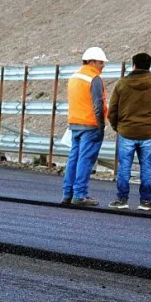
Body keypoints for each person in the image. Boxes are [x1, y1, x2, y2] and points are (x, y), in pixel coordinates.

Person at [107, 52, 151, 211]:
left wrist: (118, 127)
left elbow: (112, 111)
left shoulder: (122, 84)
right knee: (147, 167)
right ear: (149, 65)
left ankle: (122, 199)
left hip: (126, 132)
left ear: (133, 65)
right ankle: (146, 201)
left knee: (124, 167)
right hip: (148, 132)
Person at [61, 47, 108, 207]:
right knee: (85, 160)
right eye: (101, 62)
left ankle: (68, 193)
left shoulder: (74, 77)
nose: (103, 66)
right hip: (90, 124)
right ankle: (80, 195)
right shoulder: (94, 79)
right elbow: (98, 104)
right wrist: (101, 126)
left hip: (74, 124)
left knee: (73, 158)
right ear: (92, 62)